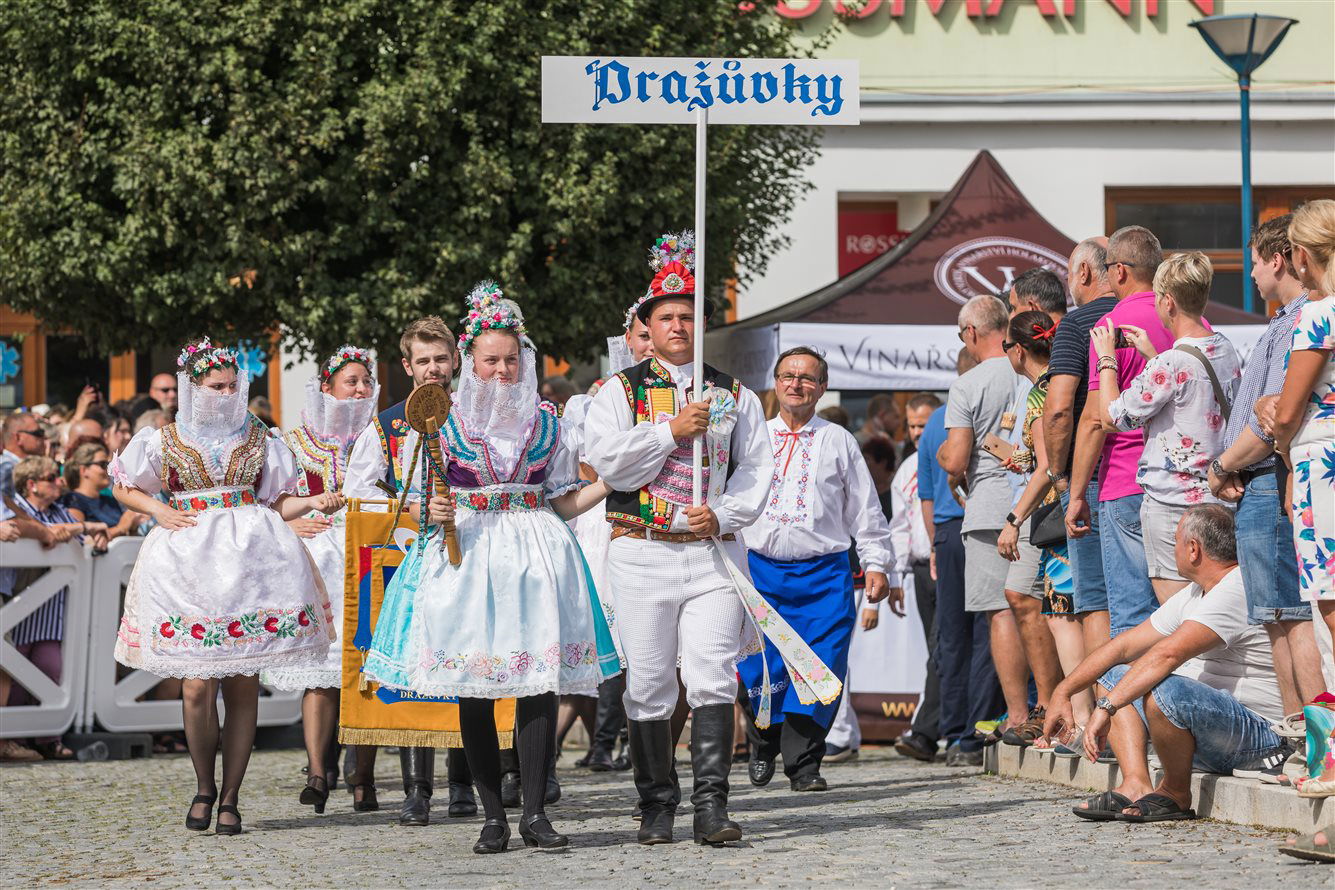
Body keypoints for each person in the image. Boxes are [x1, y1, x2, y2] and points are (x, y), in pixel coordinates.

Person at [363, 282, 619, 854]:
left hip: (535, 553)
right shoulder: (437, 422)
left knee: (538, 685)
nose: (502, 370)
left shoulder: (550, 422)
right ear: (469, 365)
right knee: (474, 688)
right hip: (467, 556)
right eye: (490, 360)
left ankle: (532, 813)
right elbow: (413, 503)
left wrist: (609, 485)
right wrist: (433, 508)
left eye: (511, 359)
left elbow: (562, 500)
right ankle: (490, 816)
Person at [585, 230, 774, 846]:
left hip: (710, 553)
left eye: (689, 315)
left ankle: (712, 807)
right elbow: (610, 465)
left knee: (713, 672)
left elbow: (755, 466)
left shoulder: (733, 394)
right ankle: (656, 804)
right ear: (646, 324)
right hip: (642, 551)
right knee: (647, 680)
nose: (678, 326)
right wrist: (668, 430)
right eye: (666, 316)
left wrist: (725, 513)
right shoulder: (619, 392)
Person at [110, 338, 341, 836]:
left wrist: (317, 502)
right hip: (187, 562)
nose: (226, 393)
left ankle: (232, 795)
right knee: (196, 684)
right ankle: (203, 785)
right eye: (216, 386)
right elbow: (123, 483)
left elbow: (276, 501)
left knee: (241, 685)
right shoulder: (162, 438)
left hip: (249, 564)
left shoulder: (259, 438)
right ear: (194, 389)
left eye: (233, 385)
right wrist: (158, 509)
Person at [1044, 505, 1288, 822]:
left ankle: (1175, 792)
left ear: (1193, 549)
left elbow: (1167, 655)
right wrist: (1063, 692)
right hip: (1213, 729)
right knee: (1116, 674)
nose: (1171, 549)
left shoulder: (1236, 586)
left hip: (1257, 737)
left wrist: (1105, 708)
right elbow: (1123, 646)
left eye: (1174, 540)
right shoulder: (1196, 592)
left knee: (1165, 691)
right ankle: (1135, 782)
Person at [738, 347, 900, 793]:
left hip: (824, 576)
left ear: (822, 387)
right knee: (760, 667)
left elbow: (865, 509)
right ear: (775, 382)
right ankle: (763, 739)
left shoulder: (838, 440)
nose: (797, 384)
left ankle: (804, 764)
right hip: (759, 573)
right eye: (788, 375)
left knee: (821, 667)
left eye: (807, 378)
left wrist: (876, 564)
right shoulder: (751, 438)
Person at [344, 315, 465, 826]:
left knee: (466, 662)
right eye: (423, 360)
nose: (433, 368)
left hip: (470, 551)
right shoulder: (388, 423)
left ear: (455, 359)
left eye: (441, 358)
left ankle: (464, 782)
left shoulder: (475, 417)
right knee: (417, 668)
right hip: (409, 555)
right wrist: (411, 508)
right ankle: (418, 790)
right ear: (407, 365)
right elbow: (358, 489)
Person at [1209, 215, 1324, 742]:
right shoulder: (1286, 321)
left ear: (1281, 258)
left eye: (1253, 261)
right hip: (1261, 476)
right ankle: (1297, 732)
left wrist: (1224, 465)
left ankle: (1314, 735)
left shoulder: (1307, 318)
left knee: (1293, 615)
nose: (1251, 274)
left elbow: (1277, 414)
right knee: (1277, 616)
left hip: (1274, 474)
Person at [263, 346, 382, 815]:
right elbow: (270, 505)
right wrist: (297, 520)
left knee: (366, 669)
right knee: (321, 673)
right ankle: (317, 771)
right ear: (327, 387)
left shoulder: (382, 437)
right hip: (317, 562)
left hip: (368, 553)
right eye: (350, 381)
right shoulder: (293, 442)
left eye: (365, 381)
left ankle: (363, 777)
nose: (359, 389)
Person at [1091, 251, 1240, 604]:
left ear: (1168, 302)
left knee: (1178, 618)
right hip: (1216, 497)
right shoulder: (1223, 347)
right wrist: (1151, 356)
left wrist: (1106, 358)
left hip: (1173, 502)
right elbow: (1192, 392)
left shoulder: (1171, 361)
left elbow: (1113, 418)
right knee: (1216, 611)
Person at [1065, 225, 1169, 638]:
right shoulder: (1184, 317)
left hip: (1124, 481)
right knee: (1178, 613)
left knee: (1129, 617)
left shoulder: (1110, 326)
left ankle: (1128, 706)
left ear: (1121, 272)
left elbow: (1094, 419)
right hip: (1180, 484)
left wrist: (1075, 495)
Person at [937, 294, 1028, 743]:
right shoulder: (1029, 363)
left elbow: (954, 461)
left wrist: (943, 457)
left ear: (972, 332)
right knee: (1046, 608)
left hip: (992, 503)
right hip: (1036, 496)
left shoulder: (968, 383)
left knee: (1002, 612)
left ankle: (1017, 714)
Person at [996, 312, 1088, 751]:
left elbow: (1050, 465)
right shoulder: (1065, 377)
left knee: (1063, 614)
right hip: (1072, 510)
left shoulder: (1041, 392)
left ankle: (1071, 718)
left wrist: (1014, 518)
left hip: (1055, 519)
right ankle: (1071, 714)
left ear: (1017, 351)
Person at [1263, 199, 1335, 730]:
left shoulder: (1319, 314)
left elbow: (1286, 411)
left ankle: (1329, 752)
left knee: (1328, 607)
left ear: (1302, 257)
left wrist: (1274, 415)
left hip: (1321, 460)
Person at [1045, 238, 1118, 695]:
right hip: (1146, 476)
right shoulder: (1152, 317)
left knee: (1094, 602)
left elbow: (1058, 410)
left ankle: (1110, 721)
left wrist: (1058, 476)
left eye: (1071, 274)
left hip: (1089, 479)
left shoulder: (1077, 324)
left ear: (1086, 274)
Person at [920, 350, 998, 766]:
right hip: (981, 522)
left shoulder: (935, 420)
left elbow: (926, 497)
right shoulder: (988, 402)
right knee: (987, 630)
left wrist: (934, 543)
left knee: (952, 636)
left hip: (949, 532)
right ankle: (975, 732)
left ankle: (954, 733)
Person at [8, 456, 106, 761]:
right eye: (52, 477)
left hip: (50, 609)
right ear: (32, 484)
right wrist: (82, 527)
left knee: (50, 669)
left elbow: (72, 535)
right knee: (15, 679)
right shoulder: (17, 508)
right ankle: (13, 738)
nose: (59, 481)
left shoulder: (58, 510)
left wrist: (93, 533)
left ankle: (48, 738)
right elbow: (47, 533)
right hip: (18, 607)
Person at [886, 393, 942, 762]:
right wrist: (896, 575)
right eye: (913, 426)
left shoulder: (950, 456)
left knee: (942, 647)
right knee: (936, 649)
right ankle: (940, 727)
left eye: (925, 424)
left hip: (950, 561)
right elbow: (900, 526)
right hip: (921, 567)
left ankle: (927, 731)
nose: (919, 432)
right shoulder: (907, 469)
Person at [61, 442, 145, 540]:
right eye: (103, 464)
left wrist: (132, 527)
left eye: (109, 464)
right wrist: (120, 528)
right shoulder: (72, 500)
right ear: (84, 470)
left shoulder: (110, 501)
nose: (109, 469)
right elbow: (79, 540)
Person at [1, 411, 50, 504]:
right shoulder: (6, 468)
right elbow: (4, 509)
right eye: (38, 433)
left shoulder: (19, 466)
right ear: (18, 437)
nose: (44, 437)